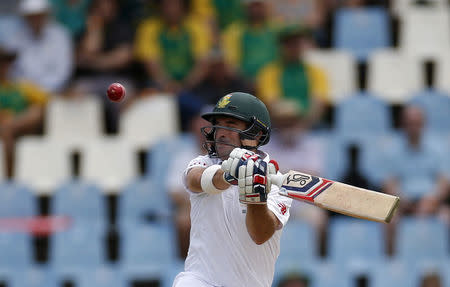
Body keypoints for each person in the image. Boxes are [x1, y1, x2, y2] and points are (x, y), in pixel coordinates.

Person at [173, 92, 292, 287]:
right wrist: (230, 174)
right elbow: (195, 179)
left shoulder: (278, 185)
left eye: (230, 125)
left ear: (256, 134)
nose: (220, 132)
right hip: (200, 281)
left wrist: (256, 196)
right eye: (218, 125)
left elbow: (260, 234)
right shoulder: (203, 162)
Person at [256, 24, 329, 126]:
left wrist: (301, 125)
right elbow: (272, 106)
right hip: (277, 129)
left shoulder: (316, 72)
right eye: (290, 43)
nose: (295, 47)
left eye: (298, 42)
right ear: (281, 46)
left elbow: (318, 105)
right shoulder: (268, 72)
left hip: (309, 128)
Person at [134, 0, 212, 94]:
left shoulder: (195, 25)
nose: (171, 9)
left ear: (183, 6)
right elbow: (151, 65)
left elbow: (203, 63)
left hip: (192, 85)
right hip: (159, 85)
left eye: (175, 4)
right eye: (167, 5)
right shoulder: (148, 28)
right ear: (159, 7)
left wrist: (185, 85)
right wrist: (168, 85)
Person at [0, 46, 48, 178]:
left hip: (20, 129)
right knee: (5, 131)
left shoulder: (22, 86)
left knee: (36, 110)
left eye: (6, 62)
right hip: (3, 129)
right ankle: (10, 177)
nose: (4, 66)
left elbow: (47, 100)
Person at [9, 0, 73, 93]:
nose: (36, 20)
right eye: (31, 16)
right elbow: (12, 70)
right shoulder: (16, 38)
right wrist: (27, 89)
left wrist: (40, 90)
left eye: (39, 16)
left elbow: (63, 71)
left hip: (56, 91)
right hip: (23, 93)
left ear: (46, 15)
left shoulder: (61, 36)